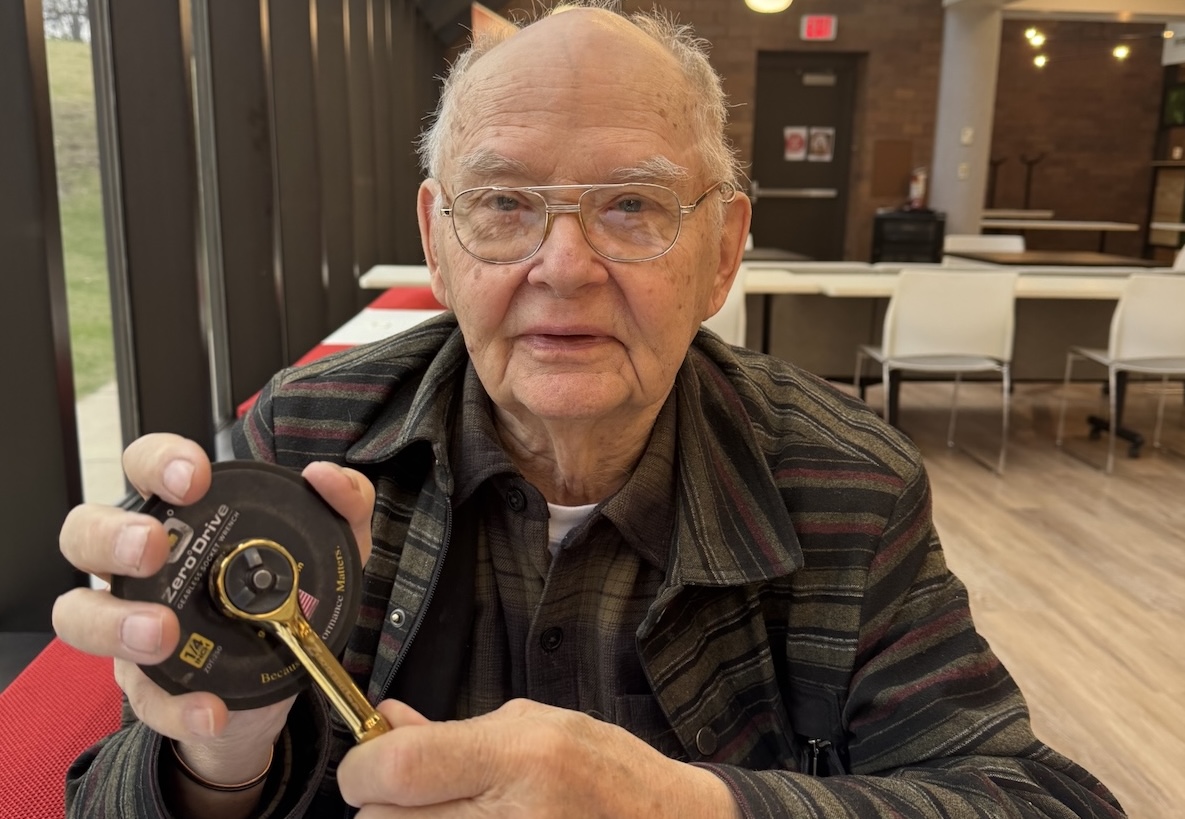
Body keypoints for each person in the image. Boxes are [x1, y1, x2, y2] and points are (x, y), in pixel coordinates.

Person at [54, 3, 1125, 817]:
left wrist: (688, 805)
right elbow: (105, 790)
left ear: (725, 251)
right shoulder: (307, 448)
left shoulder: (848, 485)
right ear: (438, 239)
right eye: (507, 204)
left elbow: (1034, 797)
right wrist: (219, 765)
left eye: (633, 205)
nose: (563, 268)